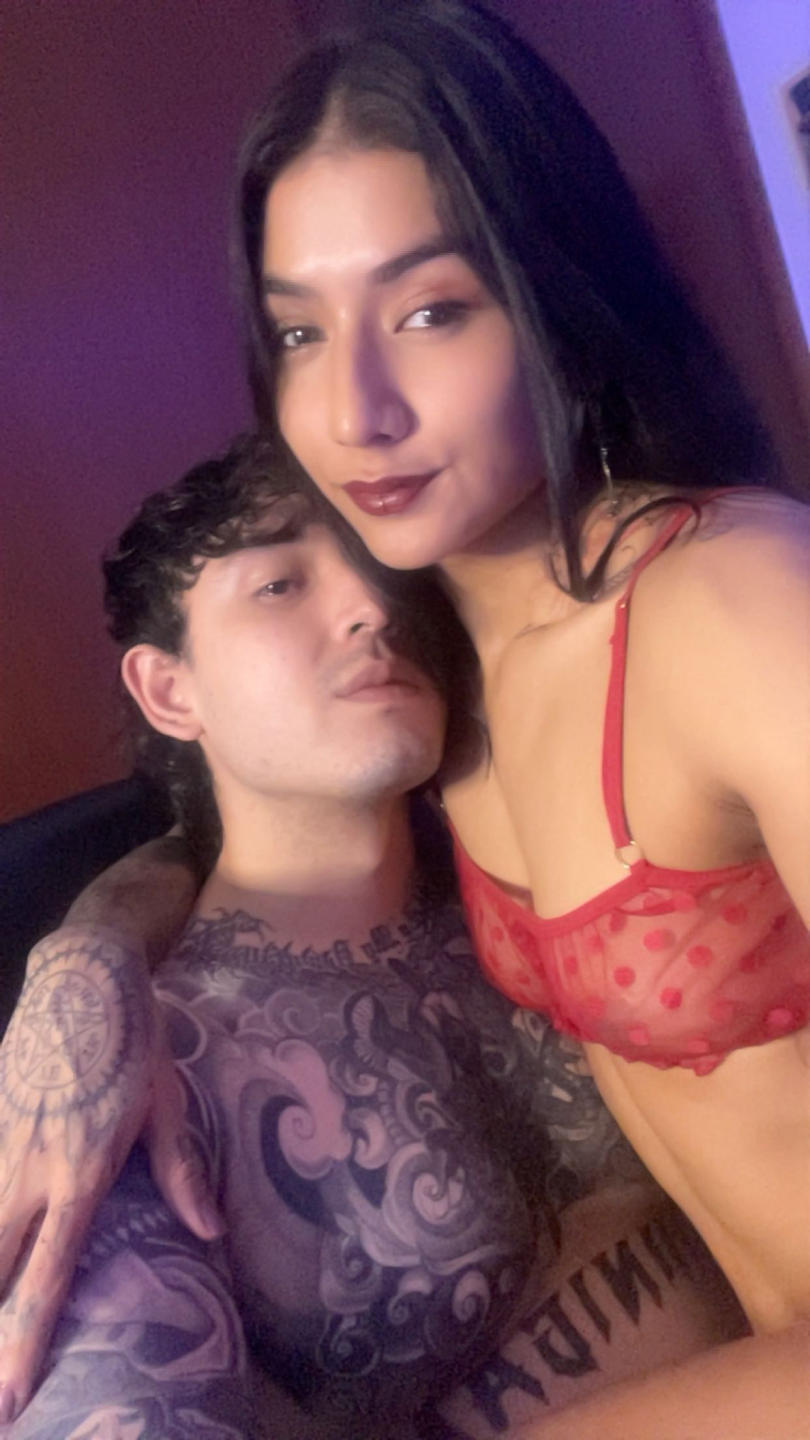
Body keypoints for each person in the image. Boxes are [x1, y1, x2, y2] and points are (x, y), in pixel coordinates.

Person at [2, 0, 808, 1432]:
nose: (354, 410)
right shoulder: (441, 679)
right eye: (298, 331)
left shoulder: (733, 604)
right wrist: (86, 966)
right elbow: (230, 831)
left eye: (431, 310)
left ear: (553, 296)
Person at [0, 436, 740, 1438]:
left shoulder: (552, 869)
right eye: (278, 584)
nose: (370, 606)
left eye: (380, 566)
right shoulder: (139, 1085)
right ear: (171, 691)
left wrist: (91, 939)